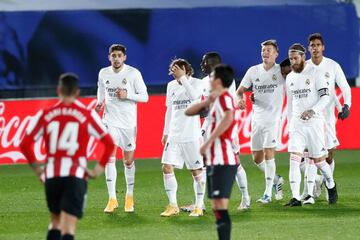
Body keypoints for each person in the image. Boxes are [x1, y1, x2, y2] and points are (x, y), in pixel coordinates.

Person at [20, 73, 115, 240]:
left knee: (55, 221)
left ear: (59, 90)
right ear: (77, 92)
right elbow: (109, 143)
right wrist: (97, 170)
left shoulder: (45, 114)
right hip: (75, 176)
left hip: (52, 177)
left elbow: (24, 144)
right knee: (68, 229)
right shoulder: (86, 115)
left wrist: (37, 169)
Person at [186, 64, 239, 240]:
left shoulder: (225, 97)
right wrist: (208, 101)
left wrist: (208, 142)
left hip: (223, 160)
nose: (208, 79)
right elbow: (189, 111)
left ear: (217, 81)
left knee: (221, 207)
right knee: (217, 207)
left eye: (211, 77)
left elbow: (229, 117)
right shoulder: (216, 100)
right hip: (214, 161)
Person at [95, 44, 149, 213]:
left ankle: (129, 196)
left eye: (119, 55)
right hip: (110, 121)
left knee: (128, 161)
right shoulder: (103, 73)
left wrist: (128, 95)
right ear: (109, 57)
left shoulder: (133, 73)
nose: (116, 58)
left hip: (128, 123)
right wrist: (99, 102)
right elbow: (101, 89)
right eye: (113, 55)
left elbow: (145, 97)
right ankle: (112, 199)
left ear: (124, 57)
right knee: (109, 158)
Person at [300, 33, 352, 204]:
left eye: (318, 45)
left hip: (327, 117)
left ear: (323, 47)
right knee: (308, 156)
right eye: (312, 45)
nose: (315, 48)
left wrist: (346, 106)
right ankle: (310, 190)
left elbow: (344, 86)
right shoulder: (303, 67)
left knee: (328, 155)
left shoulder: (332, 65)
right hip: (308, 117)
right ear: (308, 49)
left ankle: (325, 181)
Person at [285, 43, 337, 207]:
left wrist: (312, 111)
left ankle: (331, 184)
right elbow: (290, 104)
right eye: (291, 59)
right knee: (294, 158)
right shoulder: (290, 77)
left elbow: (325, 98)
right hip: (297, 124)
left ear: (303, 56)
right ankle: (295, 197)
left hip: (314, 123)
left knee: (320, 161)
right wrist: (289, 123)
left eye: (295, 58)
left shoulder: (316, 73)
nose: (293, 62)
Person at [236, 39, 285, 204]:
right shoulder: (253, 71)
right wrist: (241, 99)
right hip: (256, 119)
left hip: (272, 119)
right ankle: (277, 180)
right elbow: (240, 90)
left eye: (269, 50)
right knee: (257, 158)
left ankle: (267, 193)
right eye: (263, 50)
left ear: (276, 53)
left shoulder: (282, 71)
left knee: (269, 154)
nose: (265, 53)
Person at [160, 58, 205, 217]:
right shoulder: (170, 86)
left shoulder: (197, 83)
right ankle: (173, 205)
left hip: (191, 135)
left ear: (187, 70)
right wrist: (165, 132)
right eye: (173, 69)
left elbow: (194, 96)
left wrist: (183, 78)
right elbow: (169, 111)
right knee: (166, 167)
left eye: (177, 69)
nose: (174, 72)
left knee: (196, 171)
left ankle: (199, 206)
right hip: (174, 135)